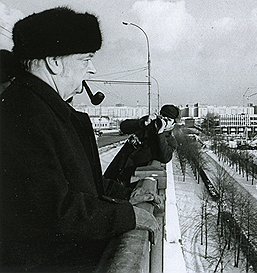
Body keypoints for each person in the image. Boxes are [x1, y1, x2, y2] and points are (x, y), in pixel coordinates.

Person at [0, 7, 158, 272]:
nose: (93, 69)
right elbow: (55, 211)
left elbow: (78, 184)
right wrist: (127, 215)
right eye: (86, 59)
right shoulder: (24, 116)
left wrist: (127, 194)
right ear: (54, 62)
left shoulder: (43, 109)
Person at [104, 104, 180, 187]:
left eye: (168, 120)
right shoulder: (146, 126)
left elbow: (165, 158)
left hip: (128, 181)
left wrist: (160, 134)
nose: (164, 122)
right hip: (113, 171)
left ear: (173, 123)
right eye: (163, 118)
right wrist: (142, 122)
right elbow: (123, 127)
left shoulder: (170, 141)